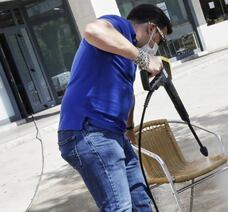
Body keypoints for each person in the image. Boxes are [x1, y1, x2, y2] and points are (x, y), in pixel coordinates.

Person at [57, 4, 172, 211]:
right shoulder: (120, 27)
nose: (157, 46)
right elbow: (93, 30)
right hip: (88, 131)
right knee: (119, 207)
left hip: (113, 134)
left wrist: (129, 130)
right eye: (160, 40)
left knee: (141, 201)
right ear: (151, 28)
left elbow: (126, 94)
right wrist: (145, 59)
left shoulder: (127, 55)